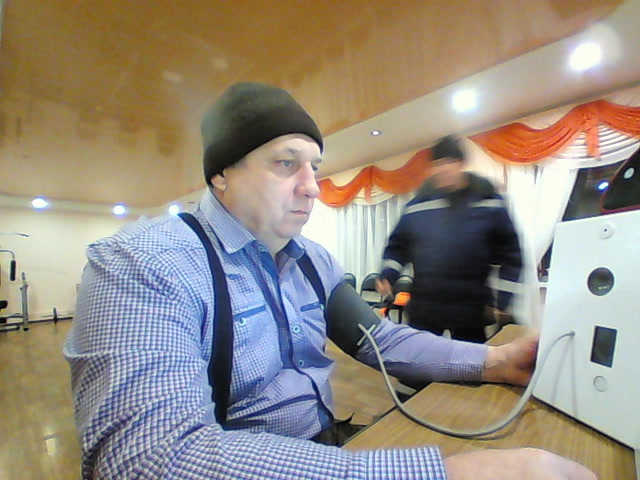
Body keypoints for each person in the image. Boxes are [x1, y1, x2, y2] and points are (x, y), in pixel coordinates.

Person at [64, 82, 595, 480]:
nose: (312, 187)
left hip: (328, 448)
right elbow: (148, 459)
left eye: (314, 167)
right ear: (221, 173)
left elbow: (382, 341)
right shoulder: (143, 264)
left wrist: (496, 361)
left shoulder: (312, 261)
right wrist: (449, 473)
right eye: (285, 163)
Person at [377, 135, 523, 343]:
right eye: (437, 164)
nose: (443, 169)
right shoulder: (417, 206)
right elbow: (398, 246)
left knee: (470, 362)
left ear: (461, 164)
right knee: (418, 361)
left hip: (470, 309)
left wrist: (503, 300)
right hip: (425, 308)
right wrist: (388, 275)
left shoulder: (489, 203)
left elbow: (512, 255)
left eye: (449, 162)